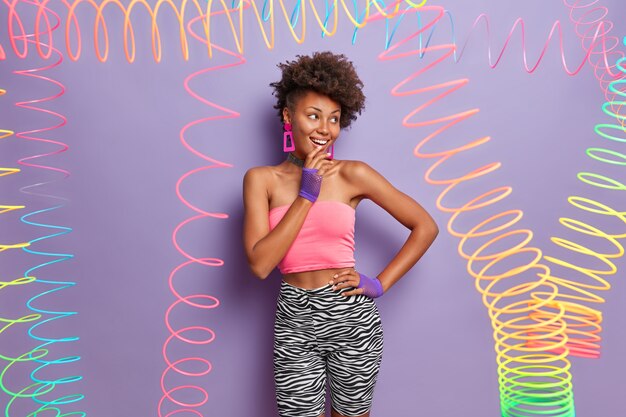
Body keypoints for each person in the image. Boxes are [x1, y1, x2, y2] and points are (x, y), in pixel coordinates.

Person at [242, 51, 439, 417]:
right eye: (313, 115)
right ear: (289, 117)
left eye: (334, 119)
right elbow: (260, 264)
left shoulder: (353, 175)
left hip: (351, 319)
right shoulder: (261, 180)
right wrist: (306, 194)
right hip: (295, 321)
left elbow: (425, 226)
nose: (324, 129)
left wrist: (379, 283)